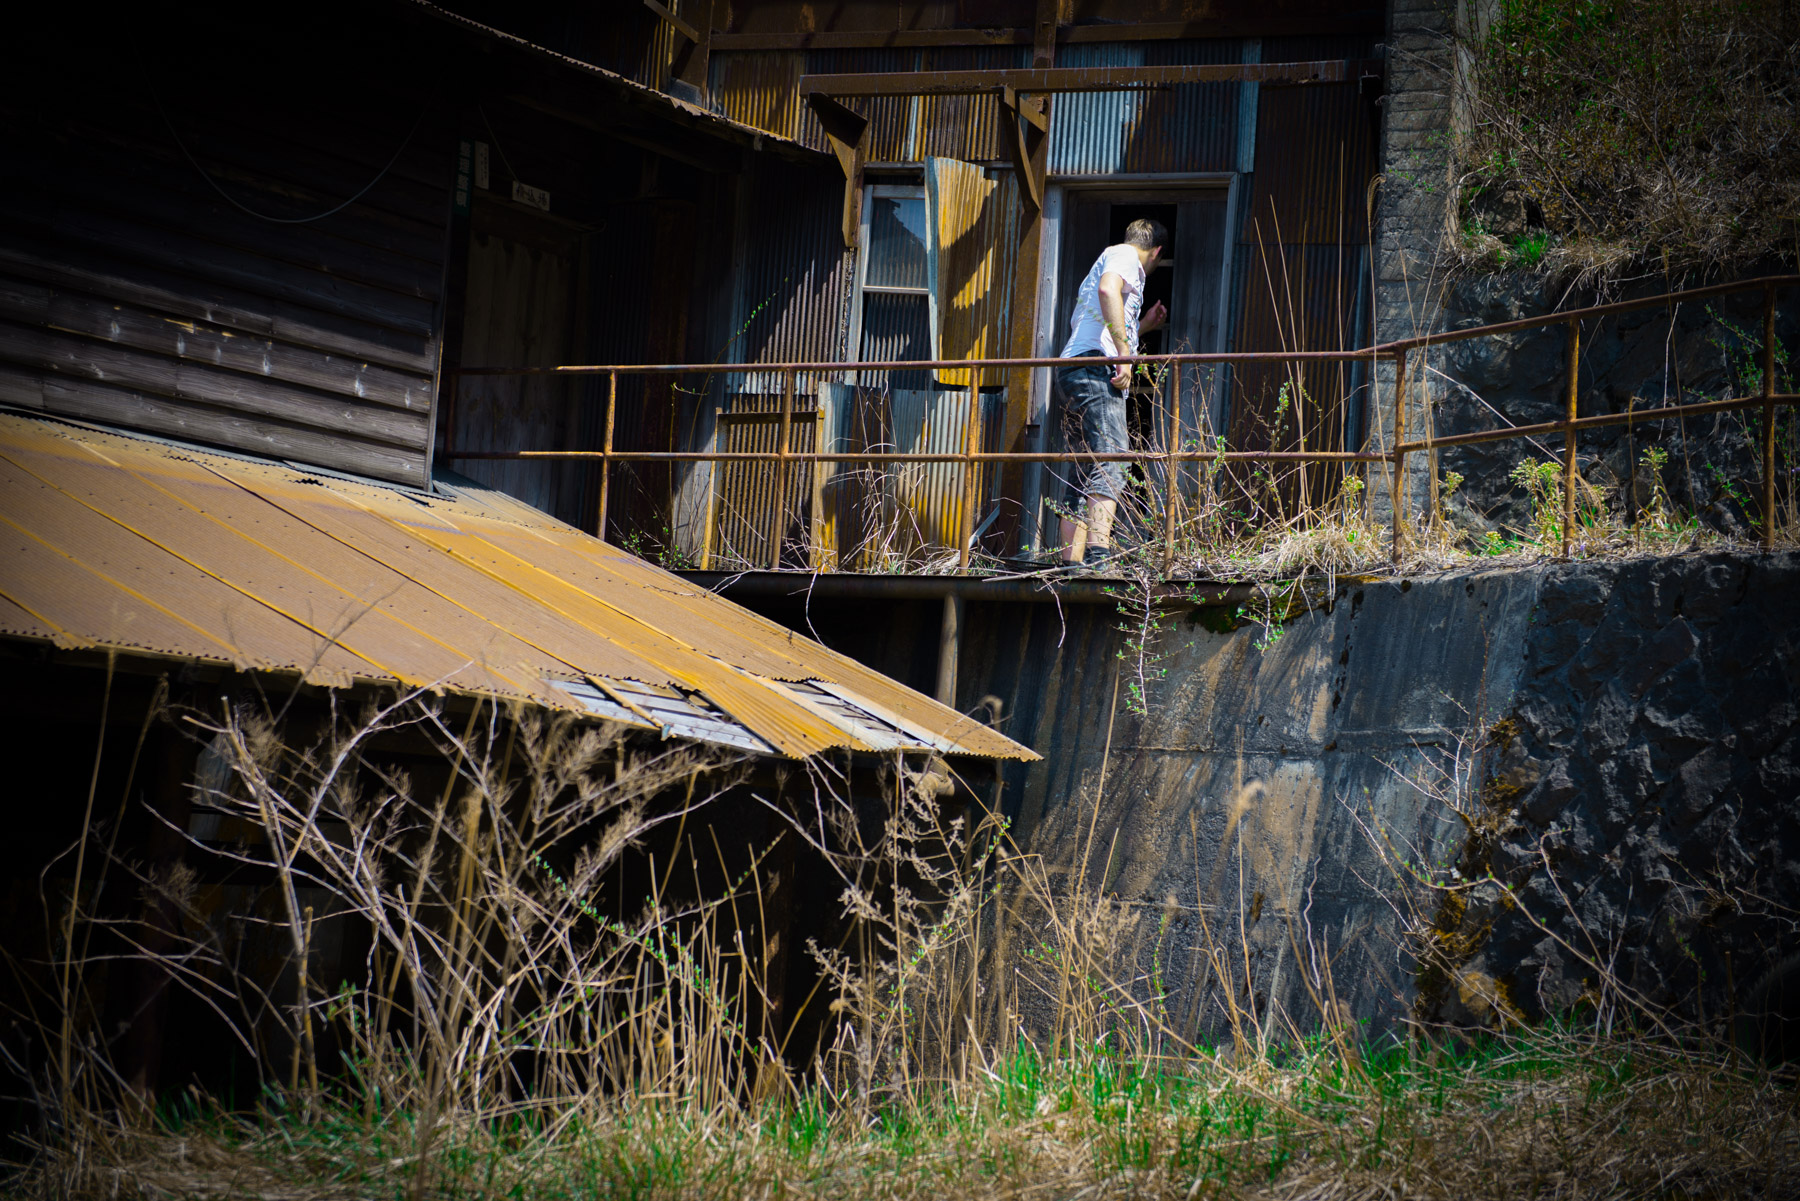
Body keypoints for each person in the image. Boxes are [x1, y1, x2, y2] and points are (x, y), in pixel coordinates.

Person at [1051, 218, 1168, 567]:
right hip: (1094, 368)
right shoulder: (1124, 255)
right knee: (1112, 456)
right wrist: (1123, 355)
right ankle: (1099, 554)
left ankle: (1072, 562)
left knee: (1083, 467)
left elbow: (1103, 309)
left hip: (1075, 369)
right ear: (1156, 252)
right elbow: (1107, 290)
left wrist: (1143, 325)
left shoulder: (1112, 257)